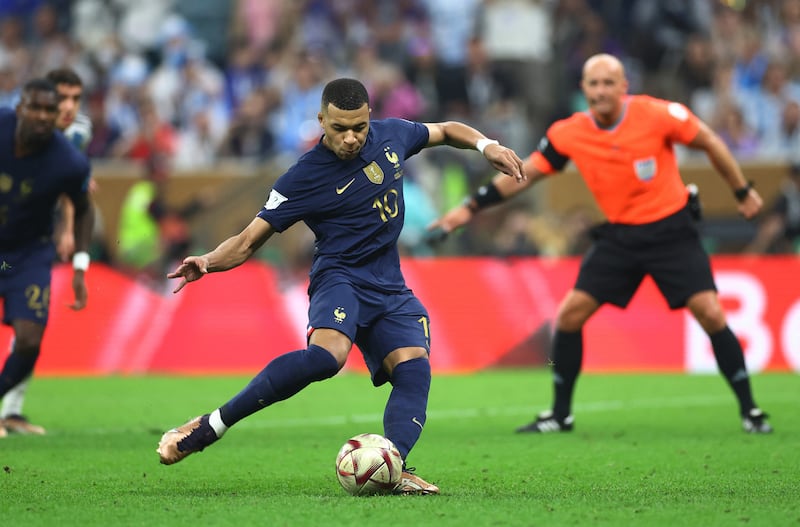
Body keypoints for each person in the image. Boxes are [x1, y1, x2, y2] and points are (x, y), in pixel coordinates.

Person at [156, 78, 525, 493]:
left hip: (388, 283)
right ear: (321, 121)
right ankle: (210, 426)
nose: (350, 138)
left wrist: (486, 145)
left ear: (369, 118)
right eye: (339, 129)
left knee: (414, 367)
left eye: (359, 127)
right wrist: (206, 261)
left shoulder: (391, 135)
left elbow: (446, 130)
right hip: (340, 277)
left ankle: (393, 465)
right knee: (326, 358)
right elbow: (245, 243)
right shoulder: (303, 178)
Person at [430, 53, 773, 435]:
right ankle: (560, 415)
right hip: (621, 236)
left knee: (710, 313)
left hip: (671, 230)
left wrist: (741, 190)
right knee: (570, 316)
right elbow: (524, 173)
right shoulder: (570, 132)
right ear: (584, 90)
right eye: (593, 83)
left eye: (609, 82)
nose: (601, 90)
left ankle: (750, 410)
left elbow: (708, 141)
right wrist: (469, 208)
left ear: (624, 87)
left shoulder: (658, 115)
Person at [0, 68, 94, 436]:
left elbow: (84, 205)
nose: (43, 116)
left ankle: (9, 408)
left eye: (49, 111)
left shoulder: (69, 160)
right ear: (20, 106)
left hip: (26, 254)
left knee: (29, 340)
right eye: (35, 108)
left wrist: (80, 263)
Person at [745, 163, 800, 254]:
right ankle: (750, 259)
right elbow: (774, 215)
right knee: (773, 226)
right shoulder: (786, 195)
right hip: (787, 228)